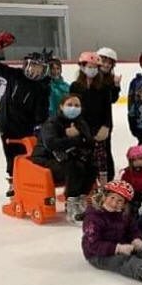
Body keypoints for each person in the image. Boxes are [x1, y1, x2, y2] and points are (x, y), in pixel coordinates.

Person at [0, 32, 50, 196]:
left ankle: (27, 180)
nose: (35, 71)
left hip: (25, 127)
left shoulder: (41, 88)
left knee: (25, 153)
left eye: (39, 68)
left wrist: (39, 127)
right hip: (6, 121)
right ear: (26, 65)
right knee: (9, 152)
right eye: (33, 66)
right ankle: (13, 182)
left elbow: (41, 112)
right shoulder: (15, 75)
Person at [30, 94, 97, 224]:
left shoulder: (80, 122)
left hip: (68, 157)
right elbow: (51, 143)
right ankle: (71, 203)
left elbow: (90, 142)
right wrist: (75, 139)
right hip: (45, 158)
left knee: (91, 166)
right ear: (61, 106)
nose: (73, 108)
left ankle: (81, 199)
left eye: (77, 105)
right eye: (70, 105)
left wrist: (79, 138)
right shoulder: (52, 123)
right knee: (73, 167)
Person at [70, 51, 115, 183]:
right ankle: (84, 185)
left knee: (101, 159)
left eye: (95, 67)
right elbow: (73, 109)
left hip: (99, 128)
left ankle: (103, 186)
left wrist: (106, 127)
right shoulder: (75, 86)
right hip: (81, 128)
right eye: (89, 66)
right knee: (83, 158)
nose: (92, 70)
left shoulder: (104, 87)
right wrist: (74, 125)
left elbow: (107, 110)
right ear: (82, 67)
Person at [120, 145, 142, 217]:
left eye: (140, 159)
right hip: (133, 199)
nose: (138, 161)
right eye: (134, 160)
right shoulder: (128, 173)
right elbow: (123, 188)